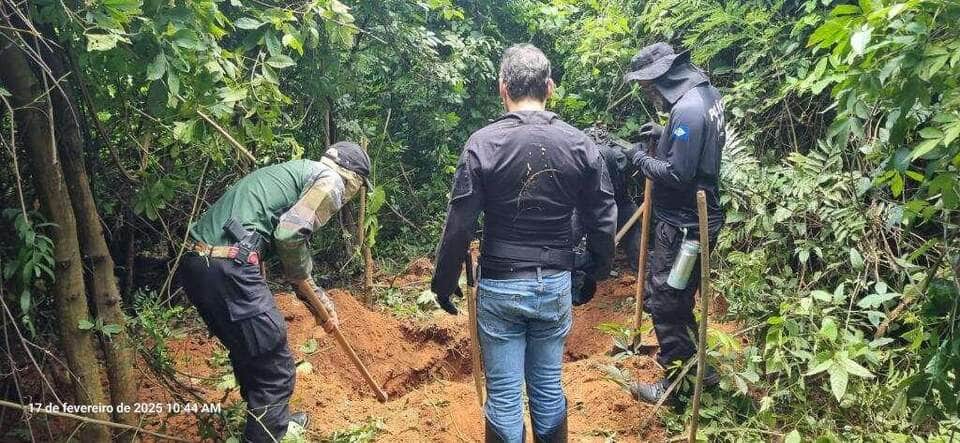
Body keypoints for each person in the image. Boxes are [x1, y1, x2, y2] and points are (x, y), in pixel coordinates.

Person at [430, 44, 617, 443]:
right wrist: (594, 270)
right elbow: (603, 215)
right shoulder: (580, 144)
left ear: (503, 88)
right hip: (555, 284)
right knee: (548, 387)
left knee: (503, 395)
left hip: (501, 284)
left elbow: (460, 224)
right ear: (549, 87)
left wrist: (443, 283)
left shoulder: (483, 144)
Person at [177, 142, 371, 442]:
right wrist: (314, 292)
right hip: (228, 266)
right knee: (273, 362)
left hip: (198, 265)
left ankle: (268, 424)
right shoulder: (330, 182)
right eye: (358, 188)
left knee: (250, 349)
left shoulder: (297, 171)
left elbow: (283, 239)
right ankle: (267, 435)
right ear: (353, 179)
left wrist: (316, 300)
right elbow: (289, 235)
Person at [619, 42, 725, 403]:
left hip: (684, 228)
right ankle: (699, 370)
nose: (649, 95)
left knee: (666, 299)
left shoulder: (687, 110)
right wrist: (663, 134)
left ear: (661, 80)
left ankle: (677, 387)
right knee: (678, 298)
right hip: (698, 217)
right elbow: (694, 146)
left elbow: (678, 174)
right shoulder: (706, 95)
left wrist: (638, 157)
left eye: (648, 88)